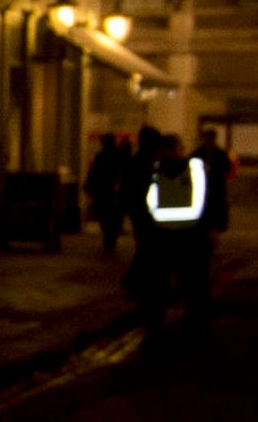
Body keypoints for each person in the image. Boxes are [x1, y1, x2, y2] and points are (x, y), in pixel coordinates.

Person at [127, 128, 213, 335]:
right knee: (192, 285)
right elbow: (209, 200)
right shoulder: (196, 168)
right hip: (190, 237)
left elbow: (140, 202)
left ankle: (156, 326)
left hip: (161, 237)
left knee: (158, 286)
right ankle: (194, 326)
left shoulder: (152, 170)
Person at [83, 133, 132, 256]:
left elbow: (94, 173)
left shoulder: (102, 156)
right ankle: (110, 240)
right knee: (114, 217)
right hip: (113, 191)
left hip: (104, 191)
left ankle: (109, 240)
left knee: (105, 217)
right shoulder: (117, 155)